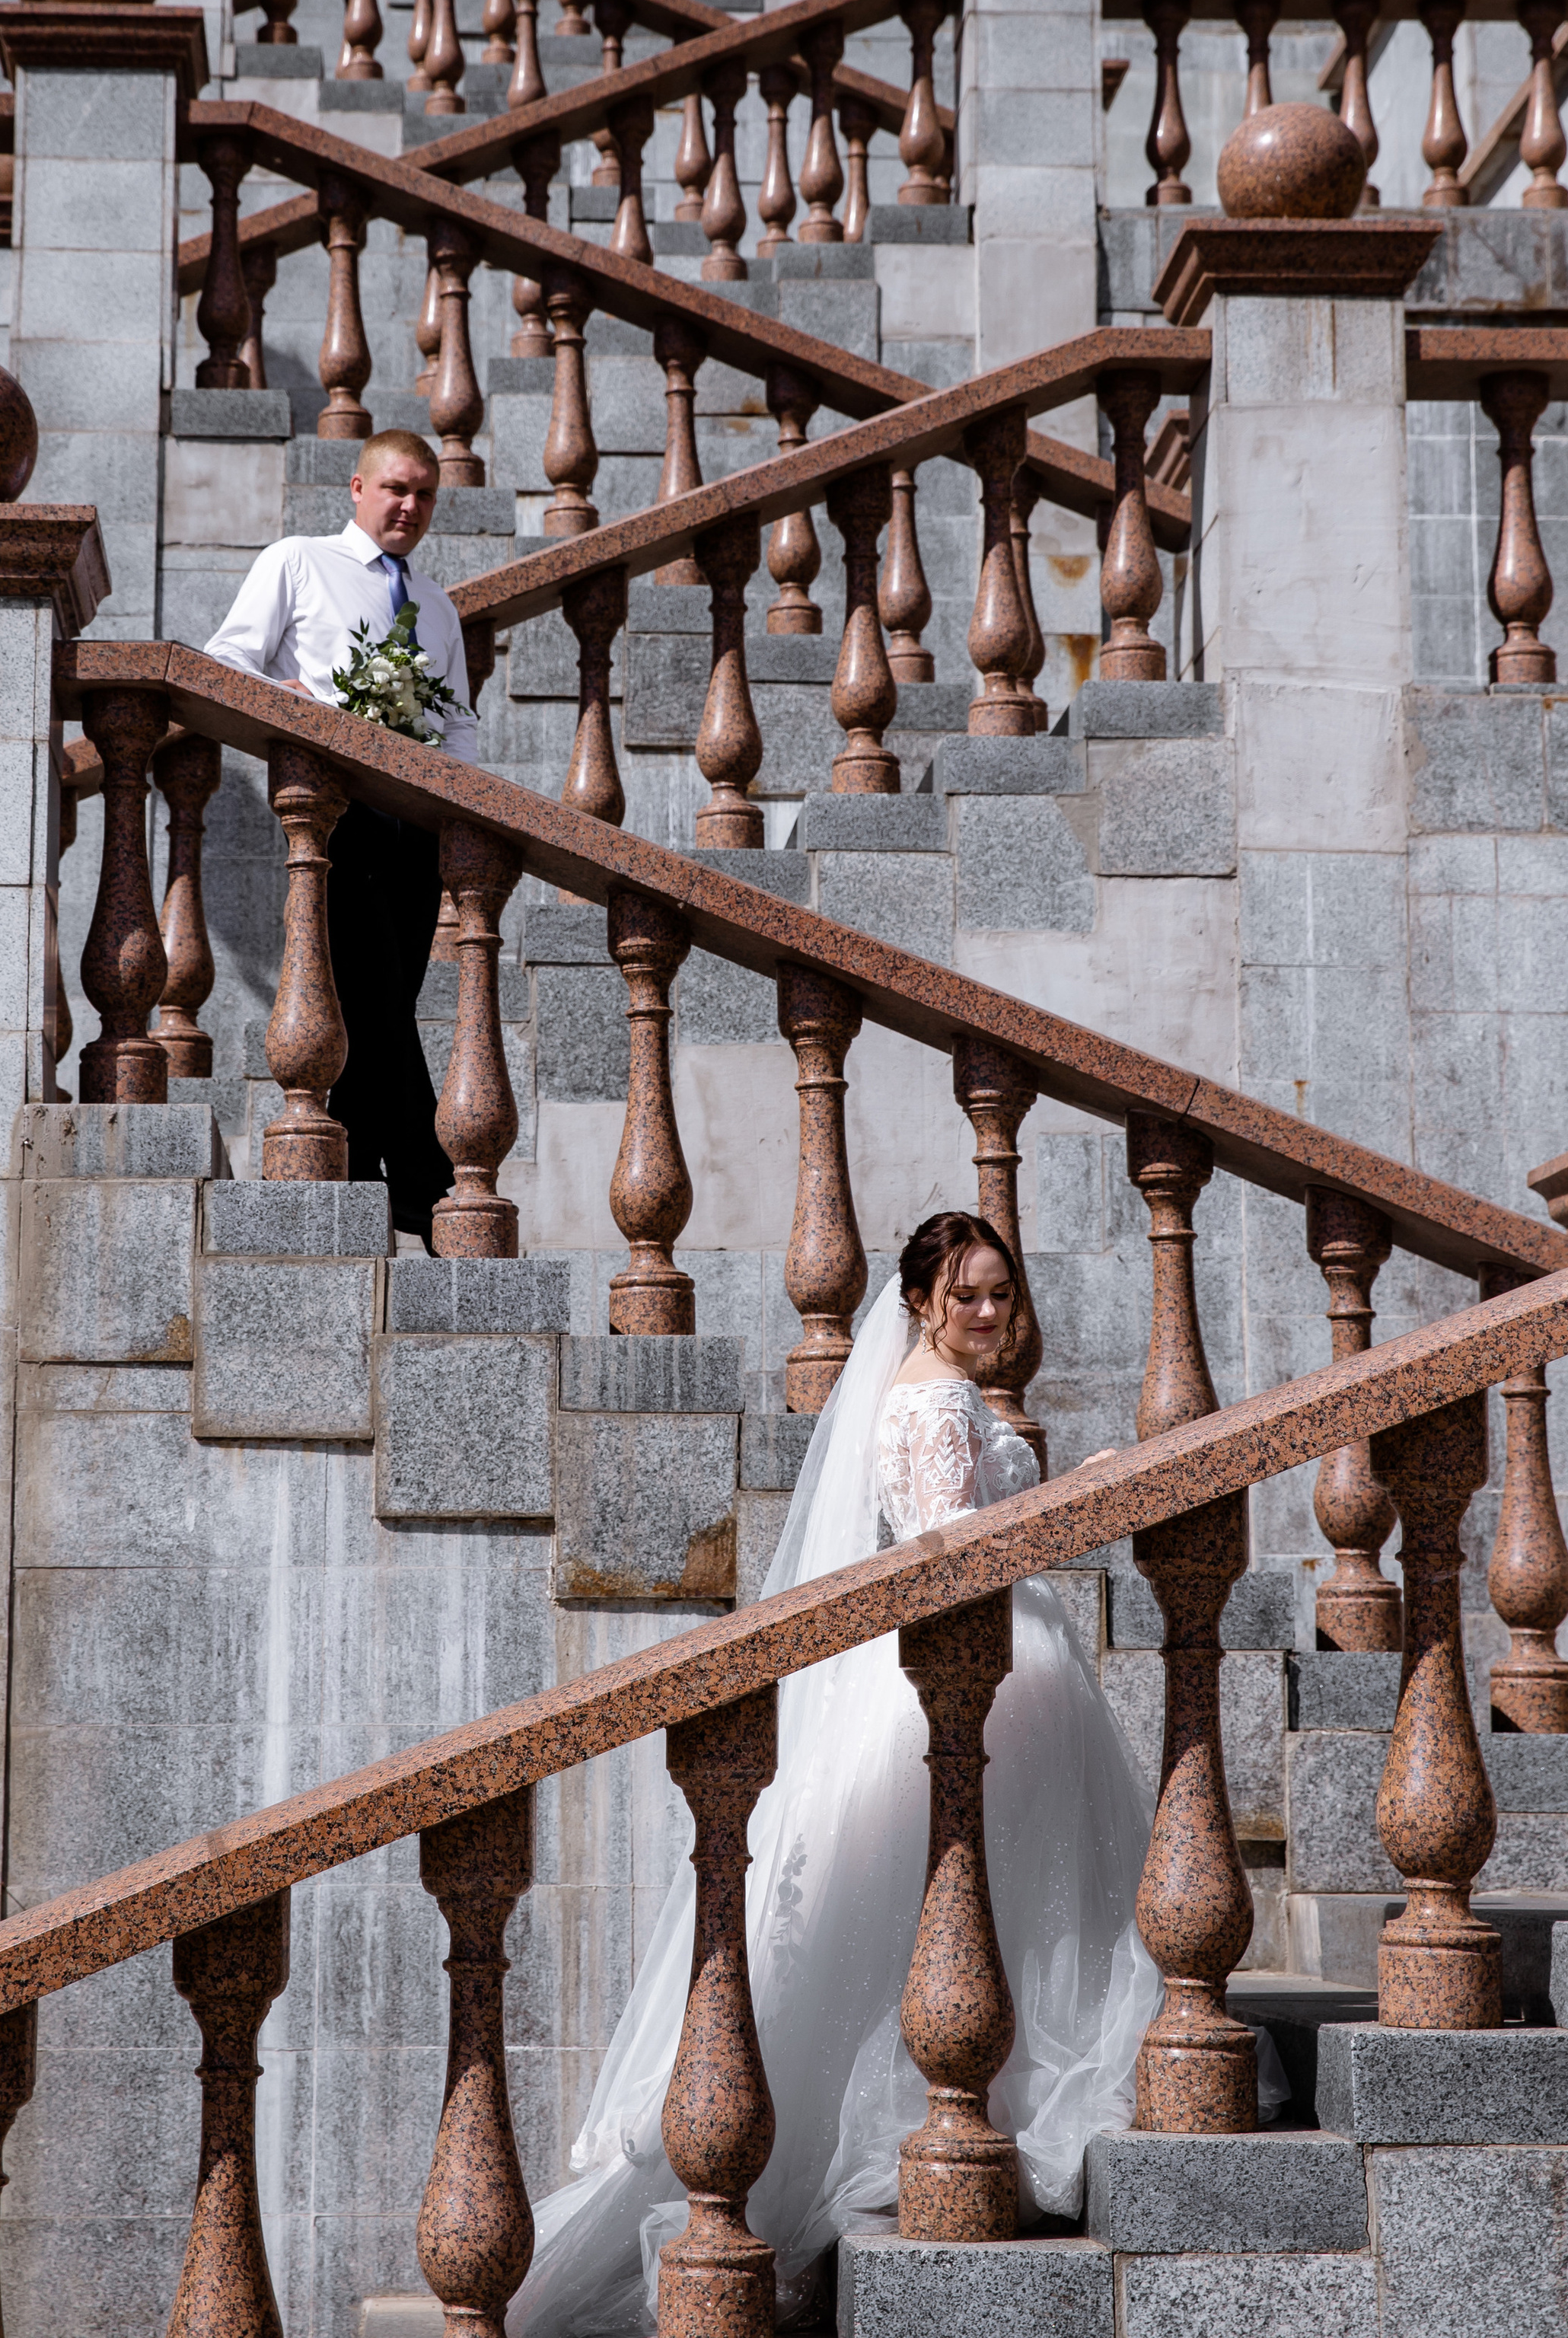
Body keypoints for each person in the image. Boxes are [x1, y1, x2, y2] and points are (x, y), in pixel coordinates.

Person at [511, 1213, 1168, 2334]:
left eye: (1000, 1294)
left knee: (1005, 1900)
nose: (987, 1314)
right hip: (983, 1672)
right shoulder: (930, 1398)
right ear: (919, 1302)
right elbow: (955, 1544)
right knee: (973, 1895)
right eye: (965, 1294)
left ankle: (984, 2097)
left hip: (1007, 1670)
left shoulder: (935, 1391)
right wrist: (1078, 1497)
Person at [205, 429, 474, 1249]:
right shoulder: (299, 561)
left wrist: (463, 816)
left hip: (416, 827)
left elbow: (457, 726)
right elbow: (226, 660)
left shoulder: (435, 606)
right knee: (374, 990)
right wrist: (292, 706)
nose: (409, 507)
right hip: (333, 816)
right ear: (357, 488)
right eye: (395, 489)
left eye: (424, 494)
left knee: (376, 1001)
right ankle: (430, 1187)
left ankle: (358, 1180)